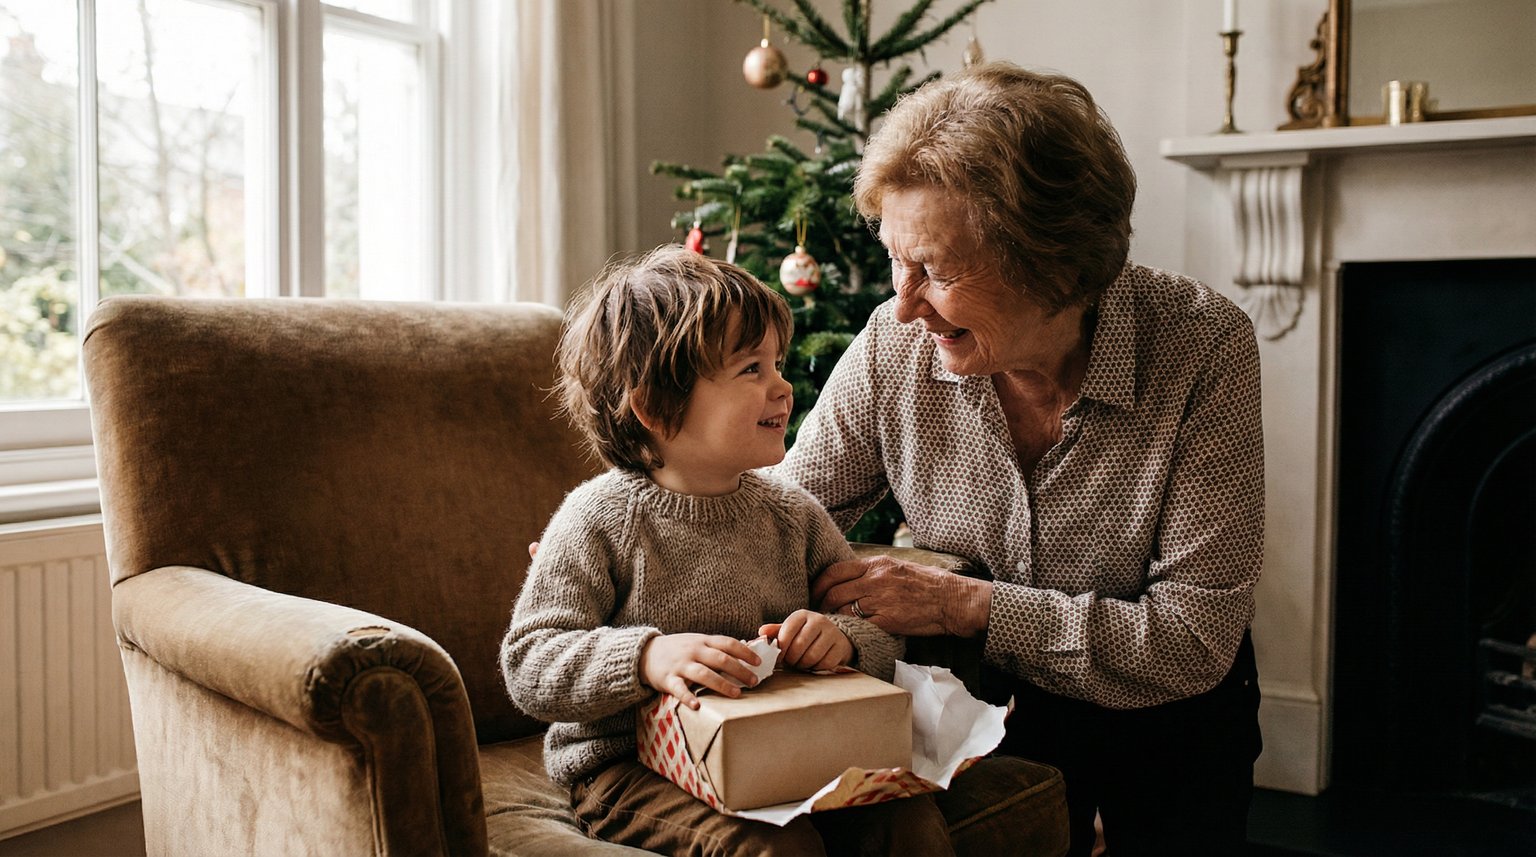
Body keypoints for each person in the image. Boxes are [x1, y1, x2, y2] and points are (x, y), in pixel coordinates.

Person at [779, 62, 1265, 856]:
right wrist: (634, 546)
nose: (901, 303)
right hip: (983, 704)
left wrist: (967, 604)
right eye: (895, 261)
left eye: (933, 269)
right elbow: (783, 517)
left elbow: (1192, 637)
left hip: (1170, 712)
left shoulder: (1202, 347)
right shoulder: (893, 346)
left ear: (1054, 264)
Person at [499, 245, 953, 856]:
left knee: (909, 823)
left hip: (784, 747)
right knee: (769, 849)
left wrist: (843, 638)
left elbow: (871, 621)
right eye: (751, 370)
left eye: (778, 364)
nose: (783, 386)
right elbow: (530, 662)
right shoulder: (595, 519)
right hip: (629, 768)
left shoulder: (794, 513)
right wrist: (647, 657)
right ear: (656, 407)